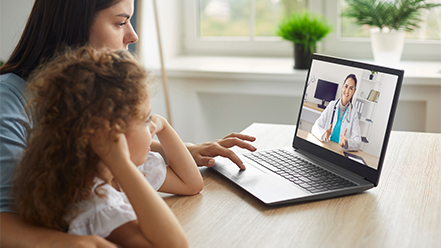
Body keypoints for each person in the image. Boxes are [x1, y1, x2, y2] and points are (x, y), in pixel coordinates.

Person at [0, 0, 256, 247]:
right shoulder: (8, 102)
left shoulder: (94, 113)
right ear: (74, 24)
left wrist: (178, 149)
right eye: (120, 22)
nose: (133, 36)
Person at [13, 46, 200, 247]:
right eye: (146, 120)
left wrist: (164, 126)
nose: (152, 126)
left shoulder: (125, 171)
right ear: (112, 133)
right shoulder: (94, 200)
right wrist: (123, 167)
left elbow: (191, 184)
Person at [311, 74, 361, 151]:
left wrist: (347, 142)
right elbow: (315, 127)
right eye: (346, 86)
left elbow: (358, 142)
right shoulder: (332, 105)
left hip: (340, 151)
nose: (347, 91)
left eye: (351, 88)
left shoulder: (354, 113)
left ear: (354, 91)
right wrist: (325, 134)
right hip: (326, 147)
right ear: (343, 86)